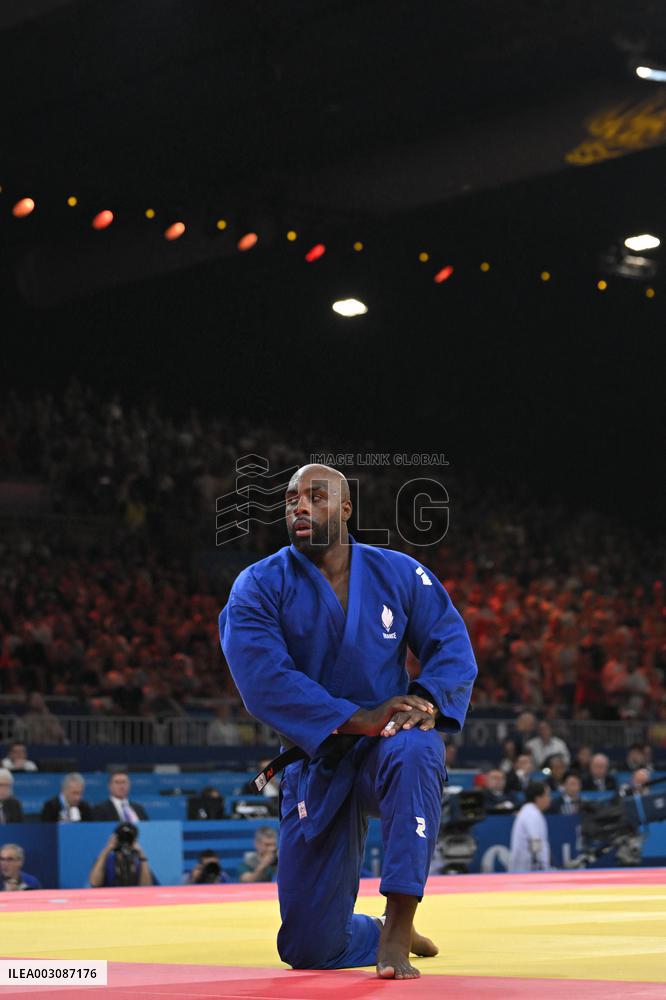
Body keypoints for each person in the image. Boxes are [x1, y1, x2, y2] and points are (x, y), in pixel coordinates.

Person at [220, 464, 477, 979]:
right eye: (291, 498)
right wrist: (358, 717)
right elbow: (263, 680)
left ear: (345, 508)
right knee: (309, 949)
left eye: (316, 496)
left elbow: (450, 641)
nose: (299, 506)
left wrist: (424, 700)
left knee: (418, 744)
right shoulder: (259, 585)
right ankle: (376, 928)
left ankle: (400, 923)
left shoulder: (397, 573)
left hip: (387, 746)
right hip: (318, 757)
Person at [88, 823, 152, 887]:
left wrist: (141, 854)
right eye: (122, 837)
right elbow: (94, 883)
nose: (125, 840)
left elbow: (146, 887)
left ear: (135, 840)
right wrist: (107, 849)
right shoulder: (105, 861)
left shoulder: (140, 863)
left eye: (129, 838)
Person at [509, 781, 552, 872]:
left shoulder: (529, 812)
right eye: (547, 795)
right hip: (528, 870)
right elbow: (535, 841)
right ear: (538, 798)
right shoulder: (532, 814)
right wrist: (540, 865)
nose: (549, 799)